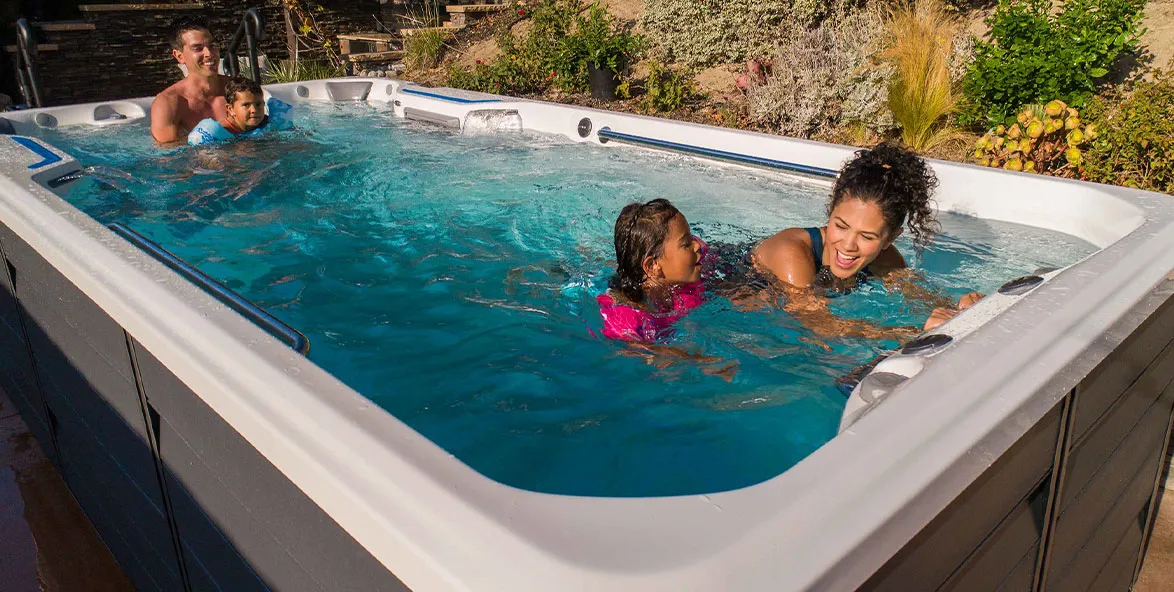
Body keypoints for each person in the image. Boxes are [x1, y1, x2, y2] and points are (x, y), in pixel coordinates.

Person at [751, 143, 980, 336]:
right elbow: (819, 324)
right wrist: (911, 333)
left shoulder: (885, 259)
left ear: (889, 239)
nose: (848, 245)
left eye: (867, 236)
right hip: (736, 295)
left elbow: (920, 298)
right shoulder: (791, 252)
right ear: (830, 212)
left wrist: (961, 308)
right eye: (841, 226)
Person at [597, 198, 707, 342]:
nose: (697, 245)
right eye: (686, 244)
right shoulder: (625, 314)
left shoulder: (687, 276)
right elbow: (638, 349)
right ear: (652, 266)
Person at [151, 18, 226, 145]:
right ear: (179, 56)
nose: (209, 53)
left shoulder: (238, 91)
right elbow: (169, 153)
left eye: (212, 46)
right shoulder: (168, 103)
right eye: (198, 48)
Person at [188, 77, 293, 145]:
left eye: (258, 104)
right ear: (231, 109)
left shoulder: (269, 123)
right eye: (246, 105)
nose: (254, 110)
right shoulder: (216, 133)